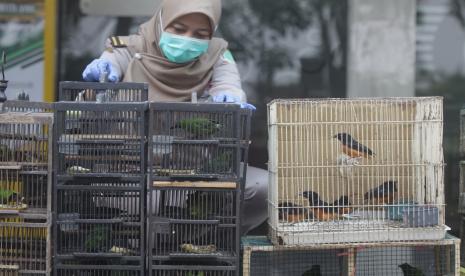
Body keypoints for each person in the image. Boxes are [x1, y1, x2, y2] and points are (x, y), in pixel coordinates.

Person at [82, 0, 267, 234]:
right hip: (129, 175)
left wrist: (230, 96)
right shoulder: (127, 48)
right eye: (178, 30)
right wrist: (104, 74)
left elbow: (227, 83)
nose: (188, 39)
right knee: (143, 215)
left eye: (200, 34)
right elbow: (111, 64)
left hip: (195, 175)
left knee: (262, 187)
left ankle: (211, 245)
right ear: (161, 21)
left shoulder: (217, 54)